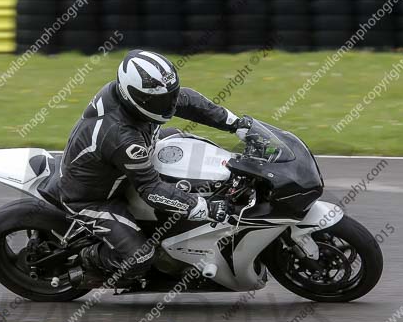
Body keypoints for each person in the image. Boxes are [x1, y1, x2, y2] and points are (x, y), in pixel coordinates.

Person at [48, 49, 252, 282]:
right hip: (91, 198)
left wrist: (235, 124)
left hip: (122, 165)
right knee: (139, 258)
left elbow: (187, 101)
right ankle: (86, 262)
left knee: (187, 143)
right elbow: (151, 190)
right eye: (161, 101)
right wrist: (204, 206)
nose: (169, 104)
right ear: (135, 97)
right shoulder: (121, 136)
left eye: (170, 95)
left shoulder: (139, 98)